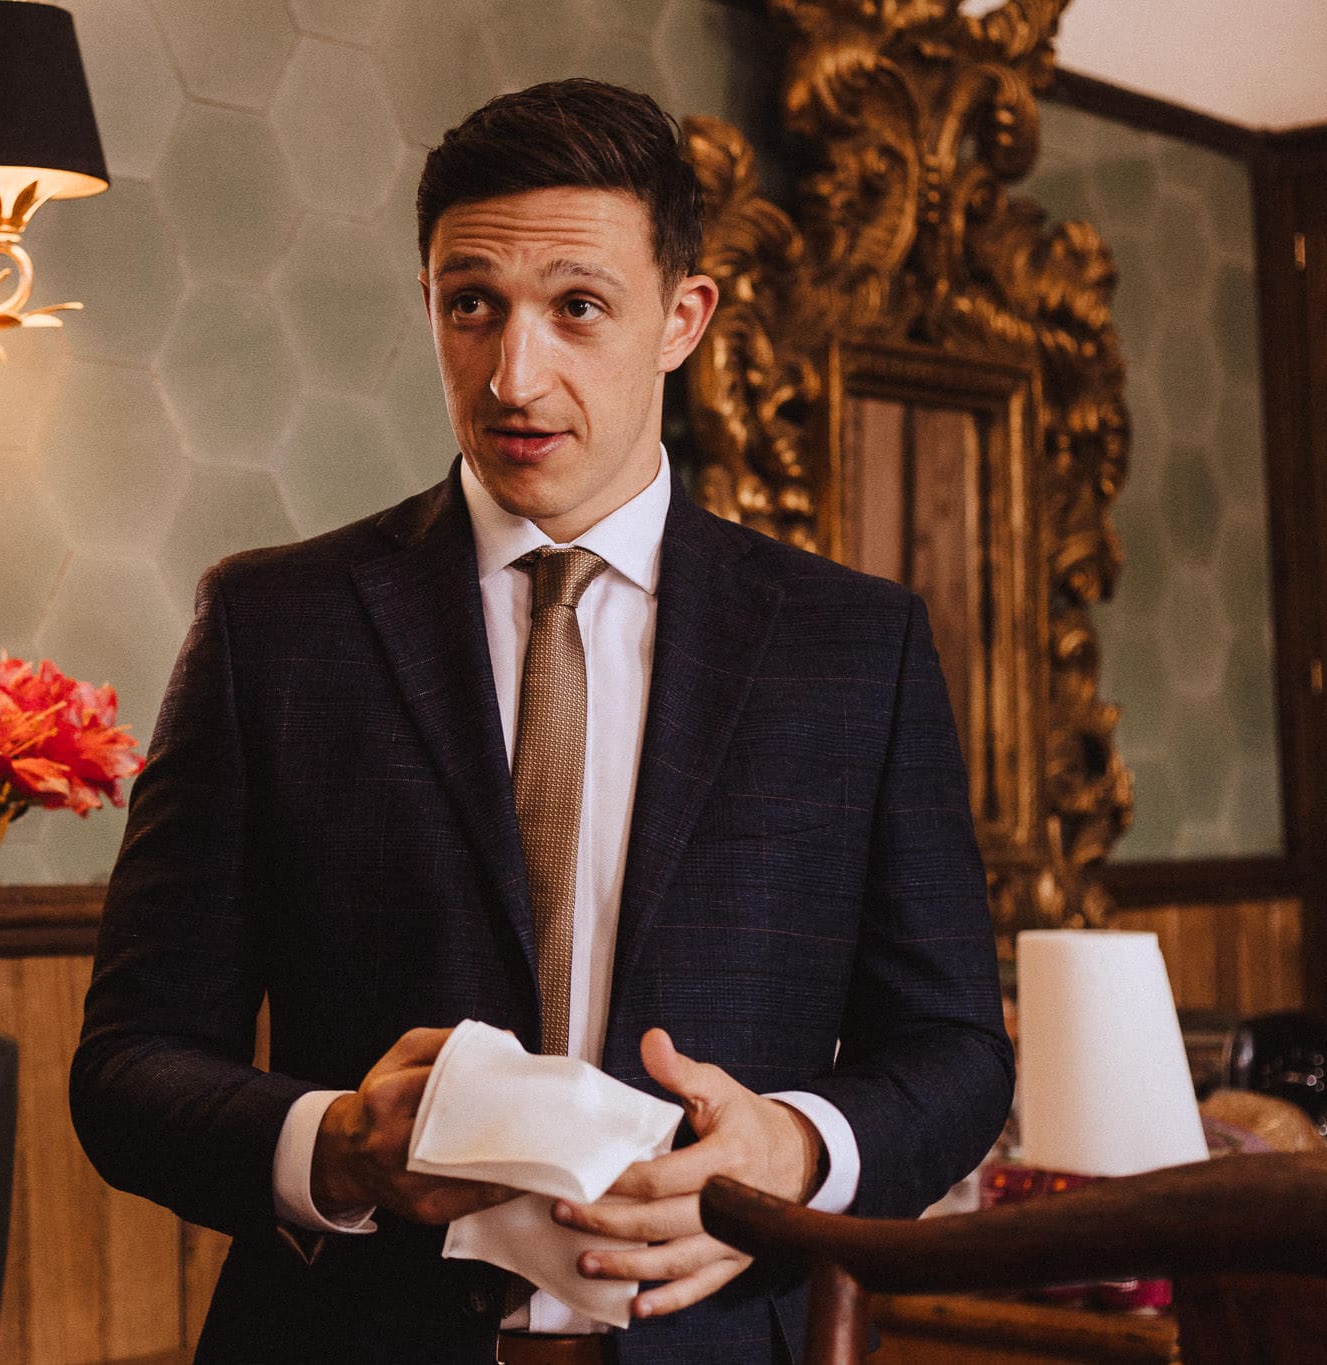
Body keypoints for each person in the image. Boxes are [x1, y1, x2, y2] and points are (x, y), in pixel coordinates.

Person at [71, 79, 1011, 1365]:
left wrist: (794, 1150)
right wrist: (333, 1145)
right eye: (475, 305)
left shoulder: (855, 646)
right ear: (430, 307)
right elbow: (129, 1069)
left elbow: (954, 1051)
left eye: (578, 307)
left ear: (682, 318)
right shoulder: (268, 627)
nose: (516, 373)